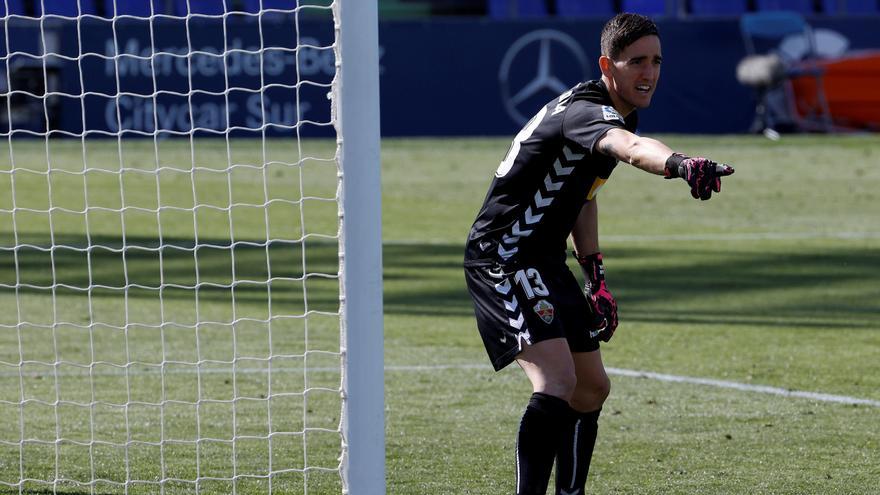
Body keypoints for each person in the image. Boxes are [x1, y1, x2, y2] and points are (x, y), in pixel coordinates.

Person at [463, 13, 734, 495]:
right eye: (636, 63)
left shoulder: (617, 109)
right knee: (557, 380)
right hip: (503, 256)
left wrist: (595, 277)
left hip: (544, 258)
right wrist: (679, 164)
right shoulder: (588, 112)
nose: (648, 73)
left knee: (591, 388)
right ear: (607, 65)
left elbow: (583, 195)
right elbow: (629, 147)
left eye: (656, 61)